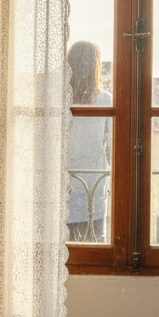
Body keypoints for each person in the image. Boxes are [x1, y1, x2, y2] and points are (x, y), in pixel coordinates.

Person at [66, 41, 112, 242]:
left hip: (64, 182)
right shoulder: (104, 101)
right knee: (93, 247)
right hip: (93, 184)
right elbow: (113, 145)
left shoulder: (59, 100)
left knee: (64, 249)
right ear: (95, 66)